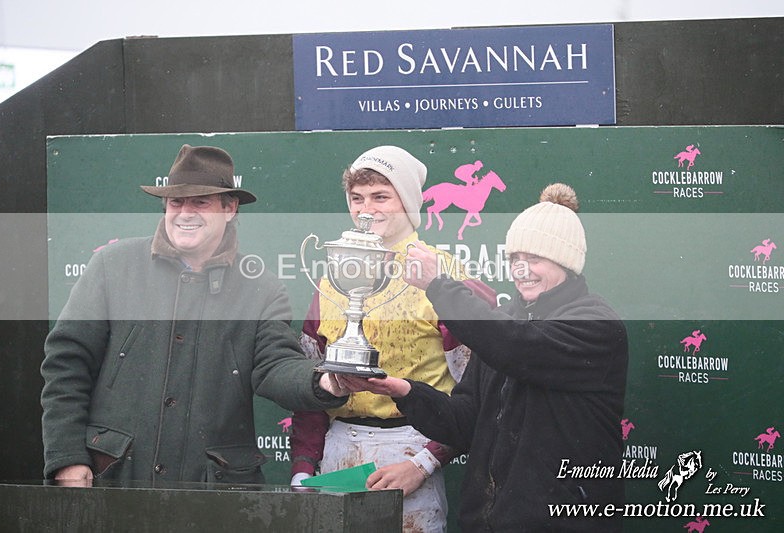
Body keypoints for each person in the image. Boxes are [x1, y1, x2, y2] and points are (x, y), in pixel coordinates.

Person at [40, 144, 348, 486]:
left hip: (214, 492)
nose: (185, 212)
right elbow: (67, 364)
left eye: (200, 201)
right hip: (115, 479)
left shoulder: (262, 288)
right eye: (176, 202)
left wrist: (325, 380)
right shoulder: (112, 266)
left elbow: (276, 367)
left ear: (230, 208)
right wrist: (66, 458)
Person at [341, 183, 629, 532]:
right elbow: (463, 422)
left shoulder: (594, 323)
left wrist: (439, 285)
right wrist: (405, 391)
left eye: (534, 259)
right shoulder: (507, 321)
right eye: (514, 259)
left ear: (566, 263)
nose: (522, 270)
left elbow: (516, 347)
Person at [289, 145, 495, 532]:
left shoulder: (445, 274)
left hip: (411, 452)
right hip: (337, 455)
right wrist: (303, 468)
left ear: (409, 203)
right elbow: (310, 384)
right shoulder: (331, 276)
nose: (367, 210)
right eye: (357, 198)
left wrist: (424, 462)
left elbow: (478, 393)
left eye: (381, 196)